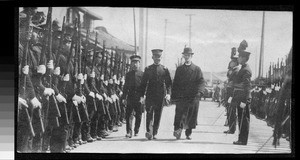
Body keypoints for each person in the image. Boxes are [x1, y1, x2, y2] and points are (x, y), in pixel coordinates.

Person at [171, 47, 206, 140]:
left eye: (188, 55)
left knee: (191, 115)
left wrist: (200, 92)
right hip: (181, 97)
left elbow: (201, 82)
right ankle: (177, 131)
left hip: (192, 97)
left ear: (191, 56)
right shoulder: (179, 69)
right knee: (179, 114)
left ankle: (188, 133)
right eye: (185, 55)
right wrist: (173, 96)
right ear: (183, 56)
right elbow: (175, 83)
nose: (187, 57)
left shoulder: (197, 69)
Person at [139, 49, 172, 140]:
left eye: (159, 57)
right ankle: (149, 131)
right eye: (156, 57)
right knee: (149, 113)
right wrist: (142, 95)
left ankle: (155, 133)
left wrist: (168, 94)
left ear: (161, 58)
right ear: (152, 57)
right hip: (150, 95)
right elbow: (143, 84)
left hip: (160, 95)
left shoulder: (164, 69)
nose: (157, 58)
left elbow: (169, 83)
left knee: (158, 114)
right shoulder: (148, 69)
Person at [231, 41, 252, 145]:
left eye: (239, 57)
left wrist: (246, 100)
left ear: (244, 58)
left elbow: (247, 86)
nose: (238, 58)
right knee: (241, 118)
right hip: (240, 97)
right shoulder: (243, 68)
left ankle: (243, 140)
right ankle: (241, 139)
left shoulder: (246, 70)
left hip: (243, 98)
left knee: (244, 119)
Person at [121, 55, 144, 138]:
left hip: (139, 97)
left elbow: (144, 87)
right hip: (130, 97)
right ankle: (128, 131)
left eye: (136, 63)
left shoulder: (142, 74)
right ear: (131, 64)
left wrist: (142, 96)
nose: (135, 64)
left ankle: (136, 130)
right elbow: (125, 87)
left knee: (139, 115)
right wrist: (124, 97)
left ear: (139, 64)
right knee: (129, 114)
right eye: (133, 62)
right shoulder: (128, 74)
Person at [223, 47, 240, 134]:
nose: (230, 63)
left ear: (236, 62)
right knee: (229, 110)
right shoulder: (232, 70)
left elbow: (235, 84)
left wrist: (232, 96)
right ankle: (231, 127)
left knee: (232, 111)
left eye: (233, 61)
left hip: (232, 93)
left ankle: (232, 128)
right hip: (229, 92)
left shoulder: (236, 71)